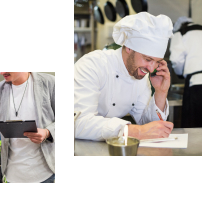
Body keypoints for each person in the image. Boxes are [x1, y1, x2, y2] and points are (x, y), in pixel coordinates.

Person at [74, 12, 174, 141]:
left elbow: (146, 125)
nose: (151, 68)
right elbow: (77, 123)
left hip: (109, 146)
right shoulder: (93, 65)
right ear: (128, 48)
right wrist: (133, 131)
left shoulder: (141, 77)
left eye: (157, 61)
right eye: (148, 59)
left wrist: (161, 92)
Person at [0, 72, 55, 183]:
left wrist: (47, 132)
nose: (2, 72)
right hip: (11, 175)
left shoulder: (50, 83)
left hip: (45, 174)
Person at [169, 16, 202, 127]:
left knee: (193, 123)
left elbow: (176, 59)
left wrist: (179, 73)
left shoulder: (180, 33)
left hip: (196, 84)